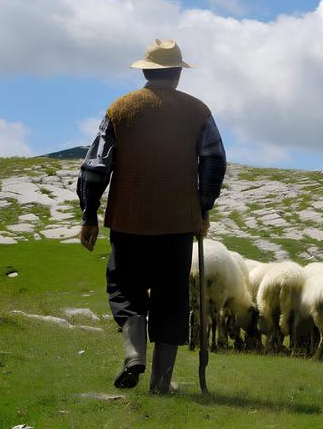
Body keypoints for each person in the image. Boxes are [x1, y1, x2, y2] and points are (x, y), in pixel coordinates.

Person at [76, 39, 227, 394]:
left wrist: (89, 215)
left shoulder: (120, 109)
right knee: (171, 296)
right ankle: (160, 382)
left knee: (125, 289)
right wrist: (202, 208)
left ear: (146, 71)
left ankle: (134, 354)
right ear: (177, 74)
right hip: (178, 223)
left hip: (129, 220)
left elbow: (96, 166)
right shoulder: (198, 111)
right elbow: (214, 161)